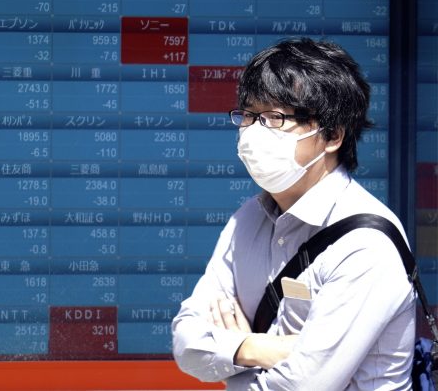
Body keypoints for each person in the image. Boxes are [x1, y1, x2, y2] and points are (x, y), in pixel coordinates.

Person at [172, 38, 415, 390]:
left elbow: (303, 386)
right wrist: (260, 348)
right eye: (250, 115)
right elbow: (186, 342)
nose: (255, 131)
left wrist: (229, 353)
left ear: (331, 135)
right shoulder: (248, 220)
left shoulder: (366, 244)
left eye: (276, 118)